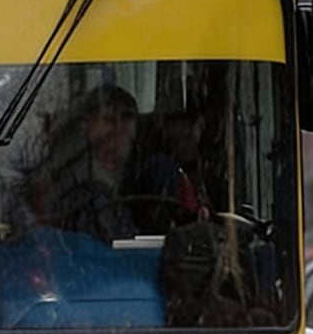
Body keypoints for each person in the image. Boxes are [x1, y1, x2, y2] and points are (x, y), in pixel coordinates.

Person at [27, 84, 199, 243]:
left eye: (127, 118)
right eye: (108, 118)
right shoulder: (60, 174)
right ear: (89, 124)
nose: (118, 127)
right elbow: (42, 235)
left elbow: (193, 226)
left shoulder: (162, 173)